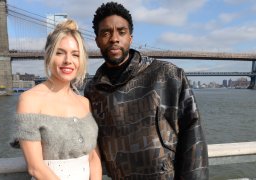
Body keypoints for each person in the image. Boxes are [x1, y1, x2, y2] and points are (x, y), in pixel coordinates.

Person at [84, 2, 209, 179]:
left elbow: (193, 139)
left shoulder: (168, 75)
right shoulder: (93, 90)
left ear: (131, 38)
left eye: (121, 31)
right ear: (97, 40)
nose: (114, 38)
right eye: (105, 33)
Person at [10, 20, 102, 180]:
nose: (68, 60)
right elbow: (35, 167)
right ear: (49, 56)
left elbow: (93, 157)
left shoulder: (84, 102)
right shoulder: (30, 100)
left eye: (75, 54)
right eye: (60, 53)